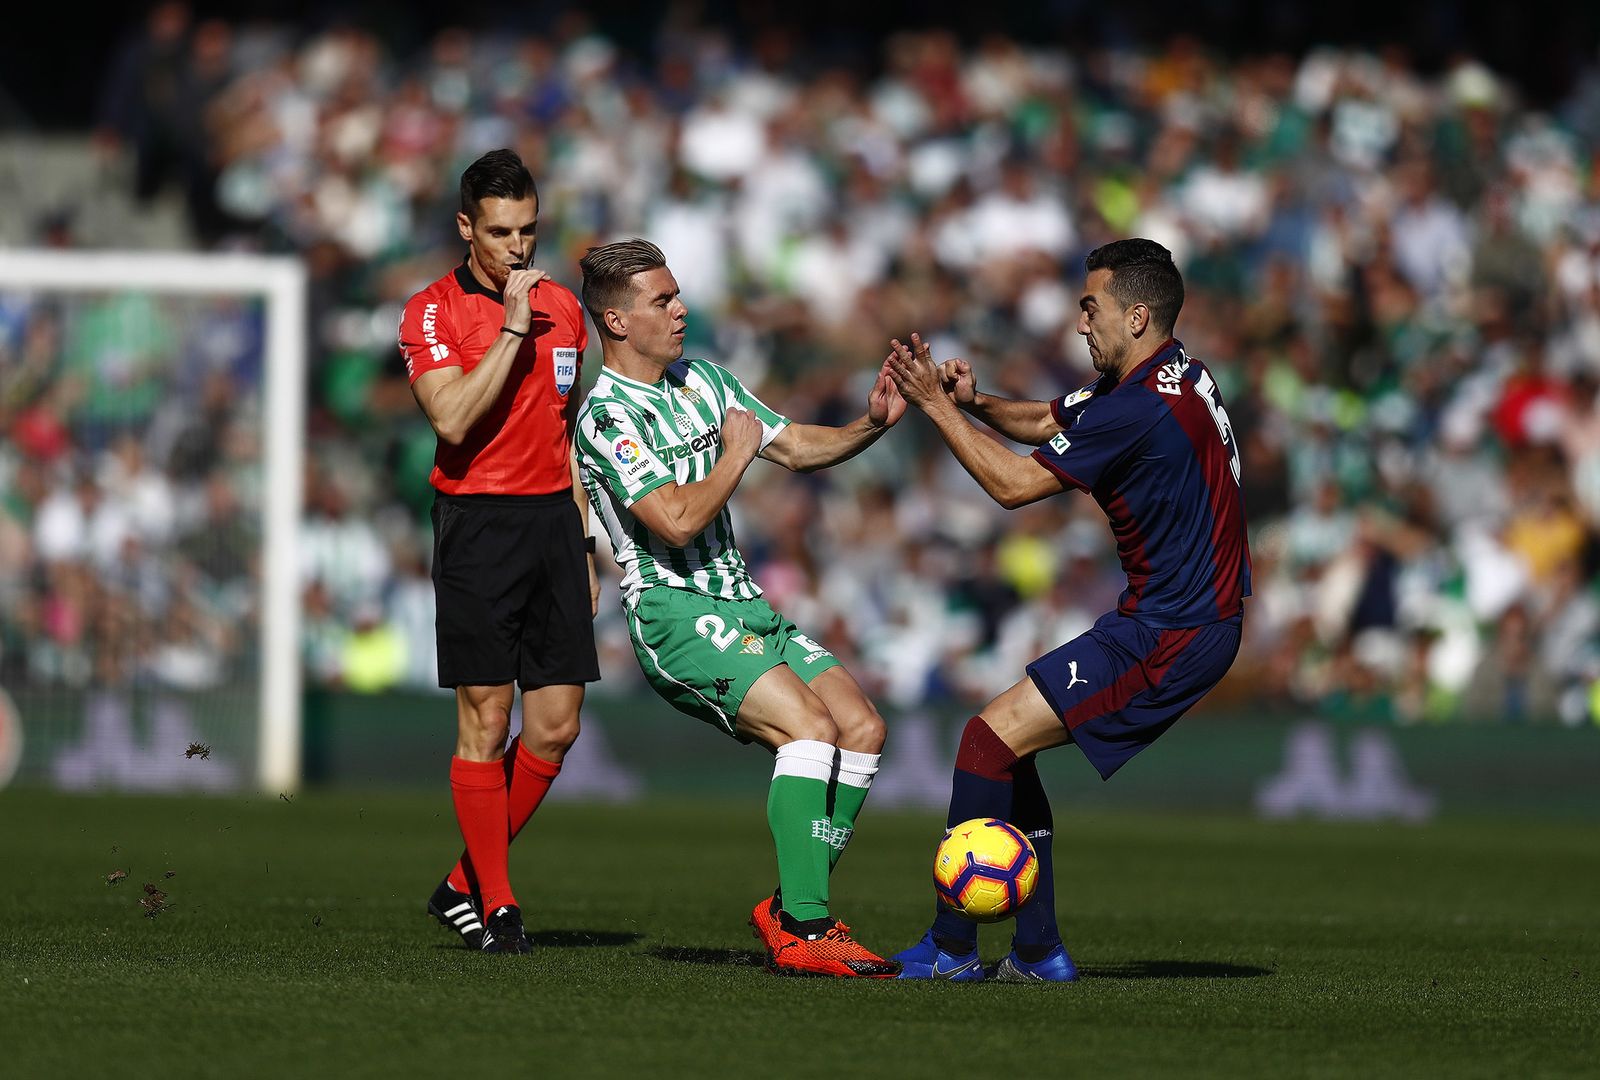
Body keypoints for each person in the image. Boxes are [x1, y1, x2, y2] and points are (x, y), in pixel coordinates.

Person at [884, 238, 1250, 981]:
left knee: (985, 743)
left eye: (1092, 307)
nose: (1080, 322)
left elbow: (1015, 487)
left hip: (1174, 630)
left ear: (1137, 315)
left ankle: (955, 948)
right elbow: (1050, 418)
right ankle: (1038, 952)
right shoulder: (1168, 374)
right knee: (1006, 749)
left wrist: (930, 407)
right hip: (1173, 616)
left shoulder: (1139, 407)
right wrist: (975, 403)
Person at [574, 238, 906, 978]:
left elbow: (791, 446)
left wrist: (870, 424)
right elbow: (676, 520)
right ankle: (808, 928)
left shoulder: (706, 380)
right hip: (676, 613)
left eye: (677, 293)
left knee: (862, 727)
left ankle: (793, 906)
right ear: (618, 322)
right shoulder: (605, 418)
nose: (681, 309)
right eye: (662, 300)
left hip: (744, 602)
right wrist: (733, 455)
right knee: (810, 729)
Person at [398, 148, 601, 954]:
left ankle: (462, 883)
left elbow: (567, 430)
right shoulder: (431, 312)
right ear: (465, 228)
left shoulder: (567, 309)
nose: (519, 247)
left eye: (529, 230)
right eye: (501, 231)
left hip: (552, 521)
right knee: (486, 715)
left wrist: (585, 540)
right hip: (476, 522)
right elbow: (451, 421)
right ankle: (500, 907)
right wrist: (513, 328)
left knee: (555, 726)